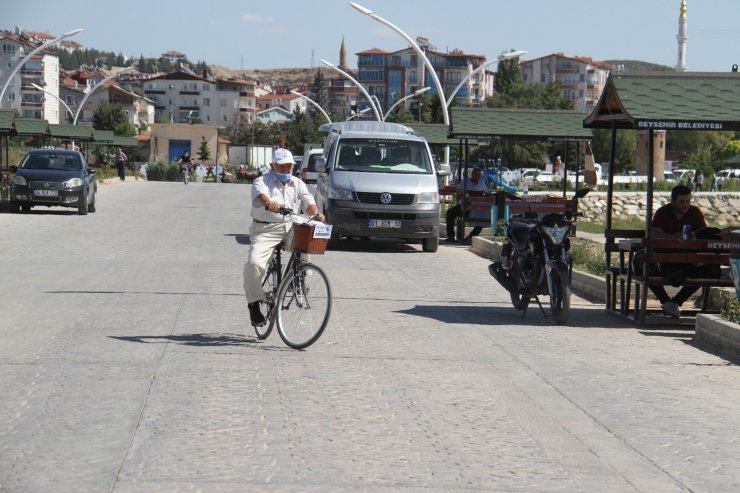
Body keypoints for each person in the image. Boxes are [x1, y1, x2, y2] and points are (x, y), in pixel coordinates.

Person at [243, 148, 325, 327]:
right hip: (265, 228)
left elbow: (308, 201)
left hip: (290, 225)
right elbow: (260, 196)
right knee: (254, 263)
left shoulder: (297, 183)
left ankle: (300, 278)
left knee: (306, 239)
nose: (287, 169)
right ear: (273, 166)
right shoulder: (261, 180)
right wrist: (269, 203)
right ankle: (254, 302)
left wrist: (316, 213)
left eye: (290, 166)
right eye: (282, 166)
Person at [647, 184, 719, 318]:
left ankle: (675, 302)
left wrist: (694, 237)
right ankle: (665, 300)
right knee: (644, 265)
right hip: (666, 260)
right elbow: (653, 233)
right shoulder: (663, 212)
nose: (685, 205)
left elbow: (703, 233)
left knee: (712, 269)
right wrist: (673, 237)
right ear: (673, 201)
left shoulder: (695, 212)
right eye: (681, 202)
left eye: (687, 201)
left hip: (689, 259)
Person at [445, 166, 489, 244]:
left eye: (478, 175)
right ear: (472, 174)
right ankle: (450, 235)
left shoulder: (481, 183)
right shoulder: (465, 182)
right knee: (450, 212)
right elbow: (458, 193)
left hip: (477, 208)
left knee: (483, 216)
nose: (477, 176)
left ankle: (471, 236)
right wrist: (461, 199)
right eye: (475, 174)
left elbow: (487, 193)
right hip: (465, 206)